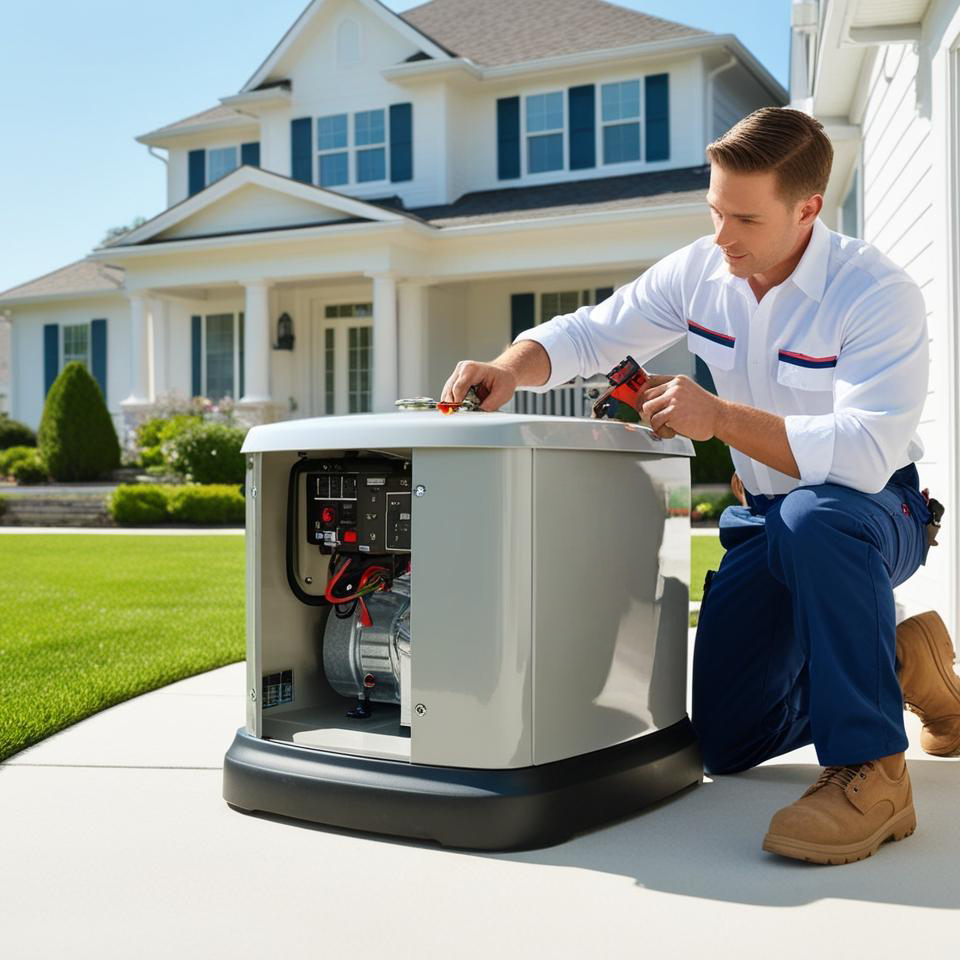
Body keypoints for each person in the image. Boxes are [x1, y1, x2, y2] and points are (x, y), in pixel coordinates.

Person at [440, 106, 960, 865]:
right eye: (715, 210)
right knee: (723, 738)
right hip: (767, 517)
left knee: (820, 516)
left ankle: (872, 773)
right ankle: (900, 662)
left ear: (808, 208)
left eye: (744, 218)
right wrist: (510, 367)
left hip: (877, 509)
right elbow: (593, 332)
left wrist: (715, 415)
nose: (722, 237)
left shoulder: (874, 292)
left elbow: (862, 451)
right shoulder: (703, 270)